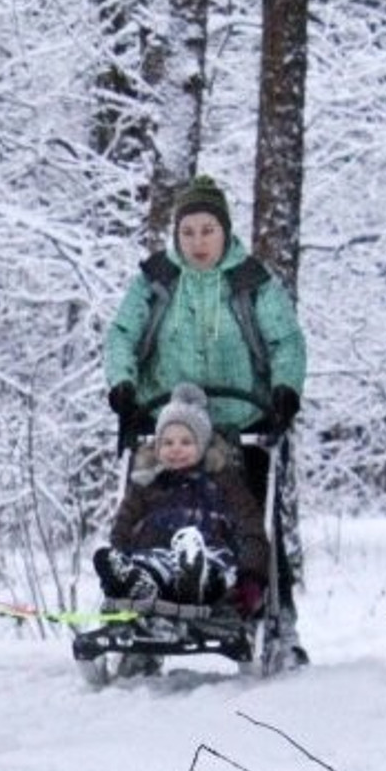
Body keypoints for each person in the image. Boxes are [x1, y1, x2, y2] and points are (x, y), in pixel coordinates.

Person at [102, 174, 309, 669]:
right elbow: (122, 333)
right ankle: (142, 604)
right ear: (176, 235)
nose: (198, 242)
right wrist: (123, 386)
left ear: (225, 232)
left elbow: (286, 340)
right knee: (149, 517)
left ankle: (273, 615)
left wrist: (285, 390)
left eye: (207, 230)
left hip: (242, 424)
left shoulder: (251, 282)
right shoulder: (156, 281)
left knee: (251, 523)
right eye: (188, 232)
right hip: (165, 423)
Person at [93, 384, 270, 633]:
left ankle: (195, 580)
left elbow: (251, 526)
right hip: (157, 554)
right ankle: (138, 583)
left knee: (206, 567)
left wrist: (251, 575)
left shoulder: (224, 480)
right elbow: (124, 522)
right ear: (157, 447)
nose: (176, 449)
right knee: (149, 565)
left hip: (211, 554)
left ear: (203, 445)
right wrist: (119, 551)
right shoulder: (147, 482)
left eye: (186, 442)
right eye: (167, 442)